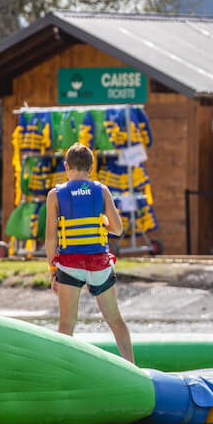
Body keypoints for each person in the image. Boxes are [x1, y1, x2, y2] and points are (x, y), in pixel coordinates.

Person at [45, 142, 134, 364]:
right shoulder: (101, 190)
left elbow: (50, 238)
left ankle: (61, 373)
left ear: (66, 166)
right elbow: (118, 228)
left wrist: (52, 270)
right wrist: (102, 221)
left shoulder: (55, 195)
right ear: (91, 168)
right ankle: (132, 367)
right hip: (100, 264)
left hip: (70, 264)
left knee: (66, 323)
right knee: (115, 319)